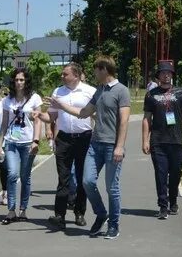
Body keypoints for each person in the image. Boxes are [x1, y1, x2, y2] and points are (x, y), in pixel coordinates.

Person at [50, 56, 130, 239]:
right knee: (87, 182)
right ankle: (101, 213)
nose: (93, 73)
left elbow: (124, 120)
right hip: (95, 144)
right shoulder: (99, 91)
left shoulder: (121, 90)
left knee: (112, 188)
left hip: (112, 146)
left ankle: (113, 224)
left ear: (104, 69)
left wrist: (119, 146)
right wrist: (60, 105)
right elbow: (84, 112)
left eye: (96, 69)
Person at [37, 63, 96, 230]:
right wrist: (40, 115)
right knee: (63, 179)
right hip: (63, 139)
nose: (62, 77)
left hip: (83, 138)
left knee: (82, 177)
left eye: (65, 74)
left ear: (76, 76)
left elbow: (96, 113)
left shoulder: (89, 91)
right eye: (62, 74)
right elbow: (52, 116)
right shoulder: (58, 92)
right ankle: (60, 215)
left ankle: (79, 213)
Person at [142, 61, 182, 219]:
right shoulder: (151, 95)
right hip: (158, 141)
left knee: (175, 174)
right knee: (160, 174)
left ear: (172, 75)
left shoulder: (181, 93)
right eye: (163, 72)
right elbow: (146, 119)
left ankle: (173, 200)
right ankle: (163, 206)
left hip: (177, 141)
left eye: (169, 72)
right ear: (158, 76)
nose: (166, 75)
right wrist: (145, 140)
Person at [0, 68, 42, 225]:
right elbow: (3, 123)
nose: (19, 82)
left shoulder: (35, 98)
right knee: (12, 174)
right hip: (11, 142)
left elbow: (38, 120)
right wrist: (0, 145)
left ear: (26, 81)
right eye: (16, 80)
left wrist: (36, 140)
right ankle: (11, 210)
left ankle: (23, 209)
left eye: (22, 80)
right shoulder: (7, 100)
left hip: (28, 142)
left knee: (25, 176)